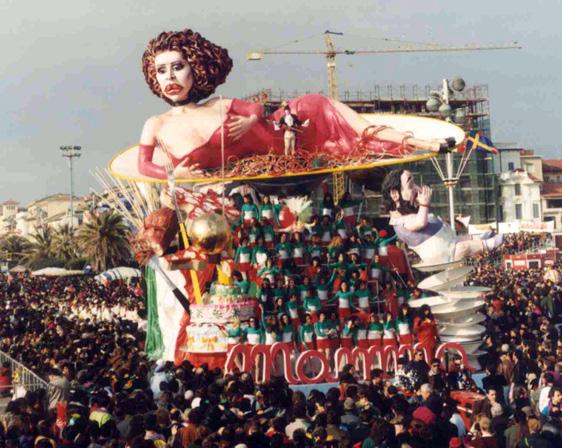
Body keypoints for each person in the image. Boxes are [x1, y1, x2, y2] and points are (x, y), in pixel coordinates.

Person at [137, 29, 457, 180]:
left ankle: (424, 141)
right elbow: (142, 166)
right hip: (274, 163)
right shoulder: (157, 124)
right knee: (358, 144)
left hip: (293, 127)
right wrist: (171, 174)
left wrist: (250, 122)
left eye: (177, 66)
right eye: (161, 71)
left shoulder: (220, 104)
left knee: (360, 128)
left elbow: (257, 111)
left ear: (196, 67)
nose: (170, 77)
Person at [382, 169, 504, 265]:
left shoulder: (408, 215)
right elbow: (420, 223)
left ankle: (478, 238)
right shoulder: (401, 221)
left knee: (460, 239)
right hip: (445, 253)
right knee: (463, 247)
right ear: (395, 194)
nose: (417, 189)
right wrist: (424, 204)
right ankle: (488, 244)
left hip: (448, 242)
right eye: (411, 185)